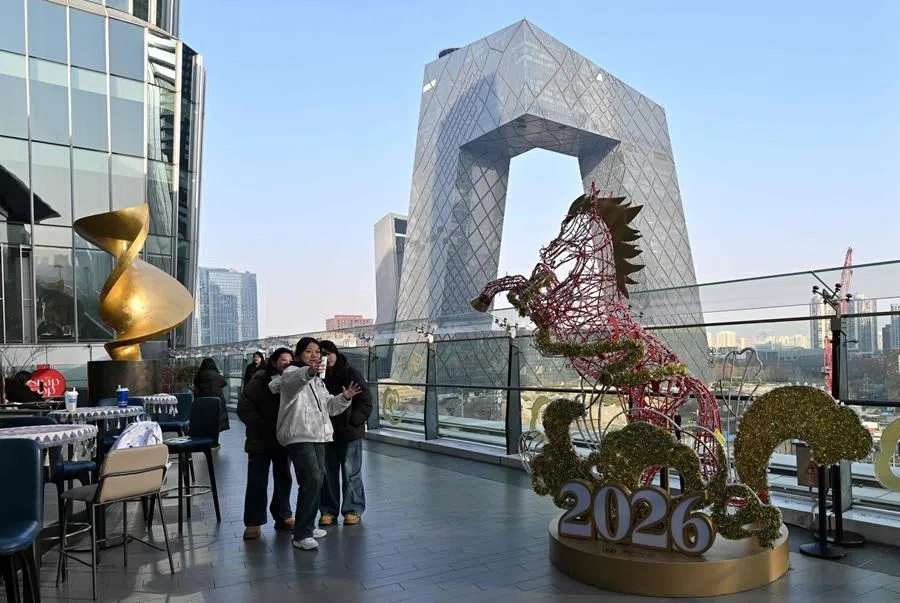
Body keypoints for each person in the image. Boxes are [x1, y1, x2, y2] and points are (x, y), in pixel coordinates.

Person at [270, 337, 361, 551]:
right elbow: (297, 380)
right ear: (299, 354)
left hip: (319, 435)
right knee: (311, 480)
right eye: (309, 351)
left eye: (317, 351)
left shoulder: (318, 382)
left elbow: (329, 406)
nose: (314, 355)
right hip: (300, 435)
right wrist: (310, 372)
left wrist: (345, 397)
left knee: (317, 481)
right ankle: (301, 534)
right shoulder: (292, 373)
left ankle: (307, 526)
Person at [237, 348, 295, 540]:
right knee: (257, 481)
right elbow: (243, 407)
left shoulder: (291, 381)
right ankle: (253, 522)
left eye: (289, 360)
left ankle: (283, 515)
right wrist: (260, 426)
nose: (286, 363)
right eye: (283, 359)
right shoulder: (260, 380)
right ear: (274, 361)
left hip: (282, 439)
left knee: (283, 477)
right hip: (260, 439)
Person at [318, 340, 372, 526]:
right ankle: (328, 510)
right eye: (321, 354)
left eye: (328, 353)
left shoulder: (351, 373)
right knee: (327, 474)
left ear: (335, 352)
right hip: (325, 433)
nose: (326, 357)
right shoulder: (316, 377)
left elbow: (366, 402)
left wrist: (353, 422)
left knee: (351, 473)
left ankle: (353, 509)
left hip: (349, 433)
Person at [194, 357, 230, 432]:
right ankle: (215, 440)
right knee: (217, 422)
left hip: (203, 401)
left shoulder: (200, 375)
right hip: (217, 401)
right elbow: (224, 383)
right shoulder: (216, 374)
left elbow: (196, 384)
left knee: (205, 422)